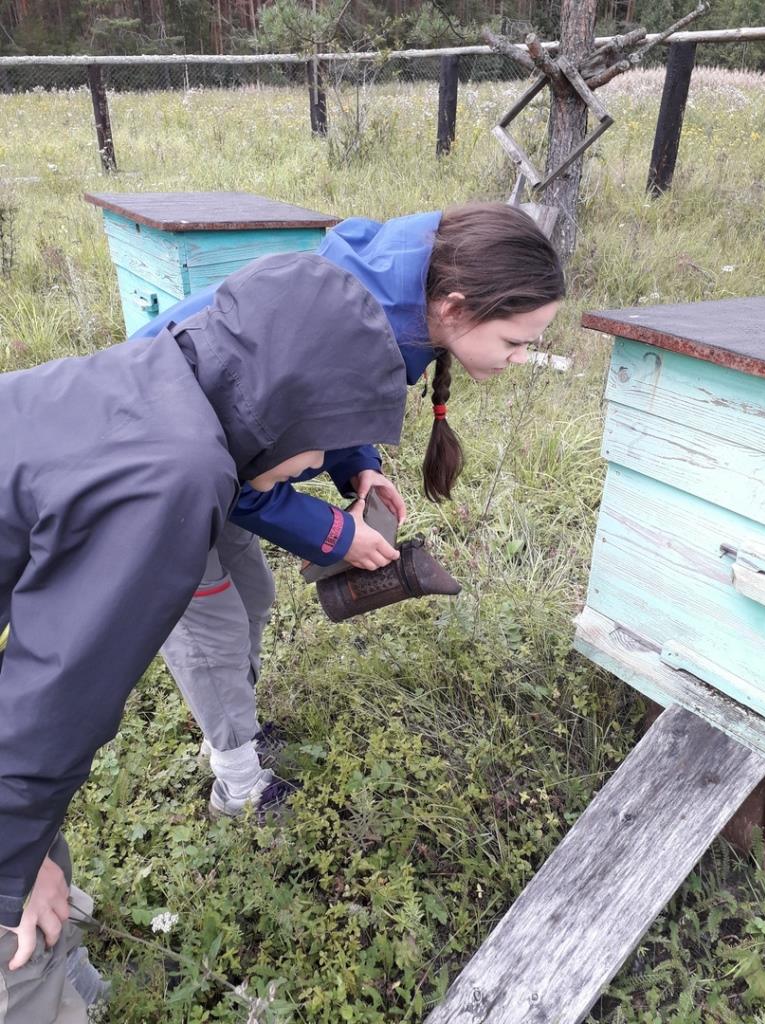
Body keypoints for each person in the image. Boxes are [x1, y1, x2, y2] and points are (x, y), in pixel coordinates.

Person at [0, 252, 411, 1021]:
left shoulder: (163, 375)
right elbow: (56, 697)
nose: (317, 465)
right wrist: (8, 877)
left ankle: (73, 974)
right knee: (12, 961)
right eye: (321, 447)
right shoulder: (179, 471)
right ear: (283, 407)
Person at [135, 202, 566, 817]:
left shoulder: (390, 307)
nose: (520, 357)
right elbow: (242, 476)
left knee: (252, 595)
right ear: (455, 307)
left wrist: (356, 462)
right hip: (161, 473)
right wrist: (339, 536)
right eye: (515, 341)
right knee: (211, 630)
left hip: (213, 467)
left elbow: (313, 409)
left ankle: (230, 731)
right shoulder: (352, 331)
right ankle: (237, 784)